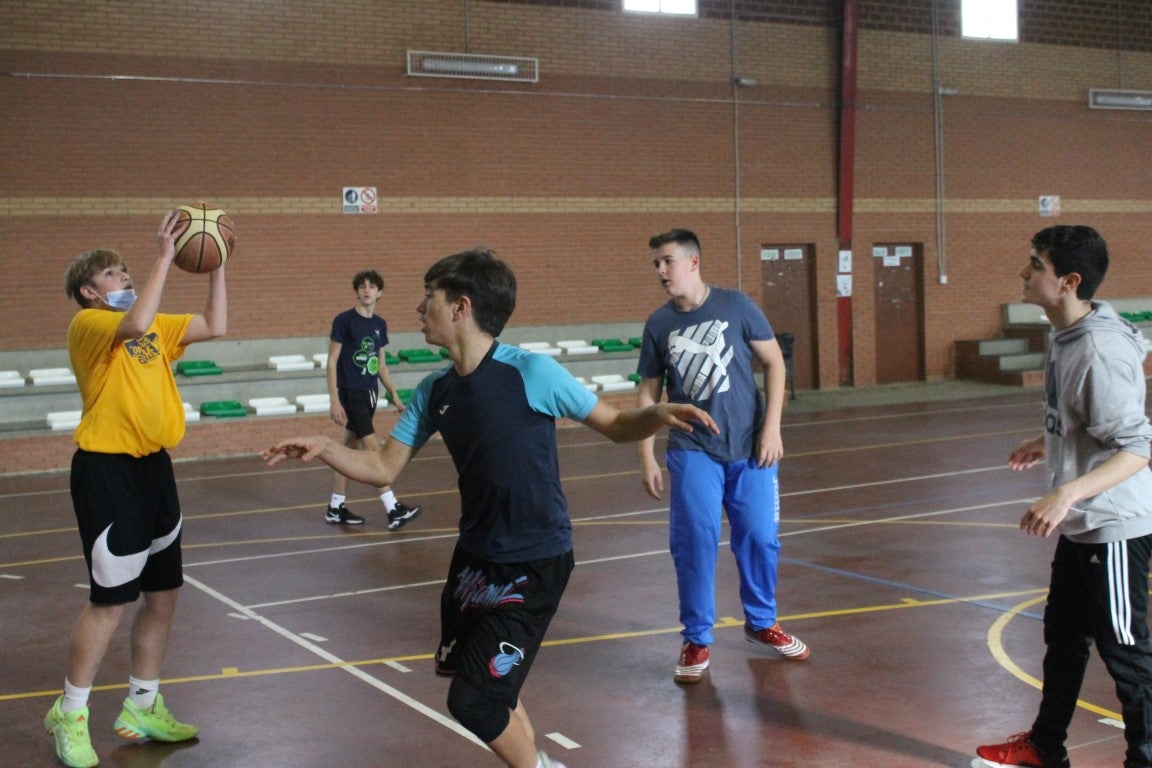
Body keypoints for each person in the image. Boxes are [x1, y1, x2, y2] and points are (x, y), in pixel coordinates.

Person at [263, 248, 717, 768]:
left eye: (428, 297)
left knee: (474, 701)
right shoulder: (435, 390)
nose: (418, 308)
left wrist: (655, 413)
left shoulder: (533, 373)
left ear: (460, 306)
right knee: (484, 686)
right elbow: (385, 467)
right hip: (474, 562)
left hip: (534, 561)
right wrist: (326, 449)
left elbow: (615, 425)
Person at [44, 211, 227, 768]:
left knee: (163, 594)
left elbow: (215, 326)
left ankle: (142, 706)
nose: (123, 277)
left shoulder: (155, 329)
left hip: (154, 469)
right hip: (107, 471)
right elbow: (135, 319)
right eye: (113, 274)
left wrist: (218, 264)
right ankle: (70, 712)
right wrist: (165, 257)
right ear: (88, 292)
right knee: (111, 601)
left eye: (126, 270)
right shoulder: (91, 327)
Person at [975, 225, 1152, 768]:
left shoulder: (1097, 349)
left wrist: (1065, 492)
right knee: (1064, 639)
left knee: (1126, 656)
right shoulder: (1071, 329)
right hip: (1082, 524)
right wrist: (1052, 438)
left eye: (1036, 265)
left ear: (1069, 281)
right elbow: (1136, 352)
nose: (1025, 273)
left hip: (1113, 524)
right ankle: (1045, 746)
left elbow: (1138, 446)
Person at [635, 228, 809, 685]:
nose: (660, 271)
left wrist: (772, 427)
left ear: (693, 262)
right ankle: (696, 638)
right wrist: (646, 455)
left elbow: (774, 362)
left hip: (750, 446)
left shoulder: (736, 306)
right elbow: (649, 393)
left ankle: (761, 622)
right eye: (655, 263)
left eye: (666, 261)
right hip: (693, 448)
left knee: (759, 536)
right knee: (694, 540)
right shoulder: (659, 325)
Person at [323, 269, 421, 529]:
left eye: (372, 286)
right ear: (357, 291)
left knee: (346, 451)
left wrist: (394, 393)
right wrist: (334, 399)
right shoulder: (344, 321)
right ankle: (393, 508)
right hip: (352, 393)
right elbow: (332, 361)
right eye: (362, 286)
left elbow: (381, 366)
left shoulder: (380, 325)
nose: (366, 290)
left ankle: (335, 507)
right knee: (375, 451)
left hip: (370, 393)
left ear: (380, 293)